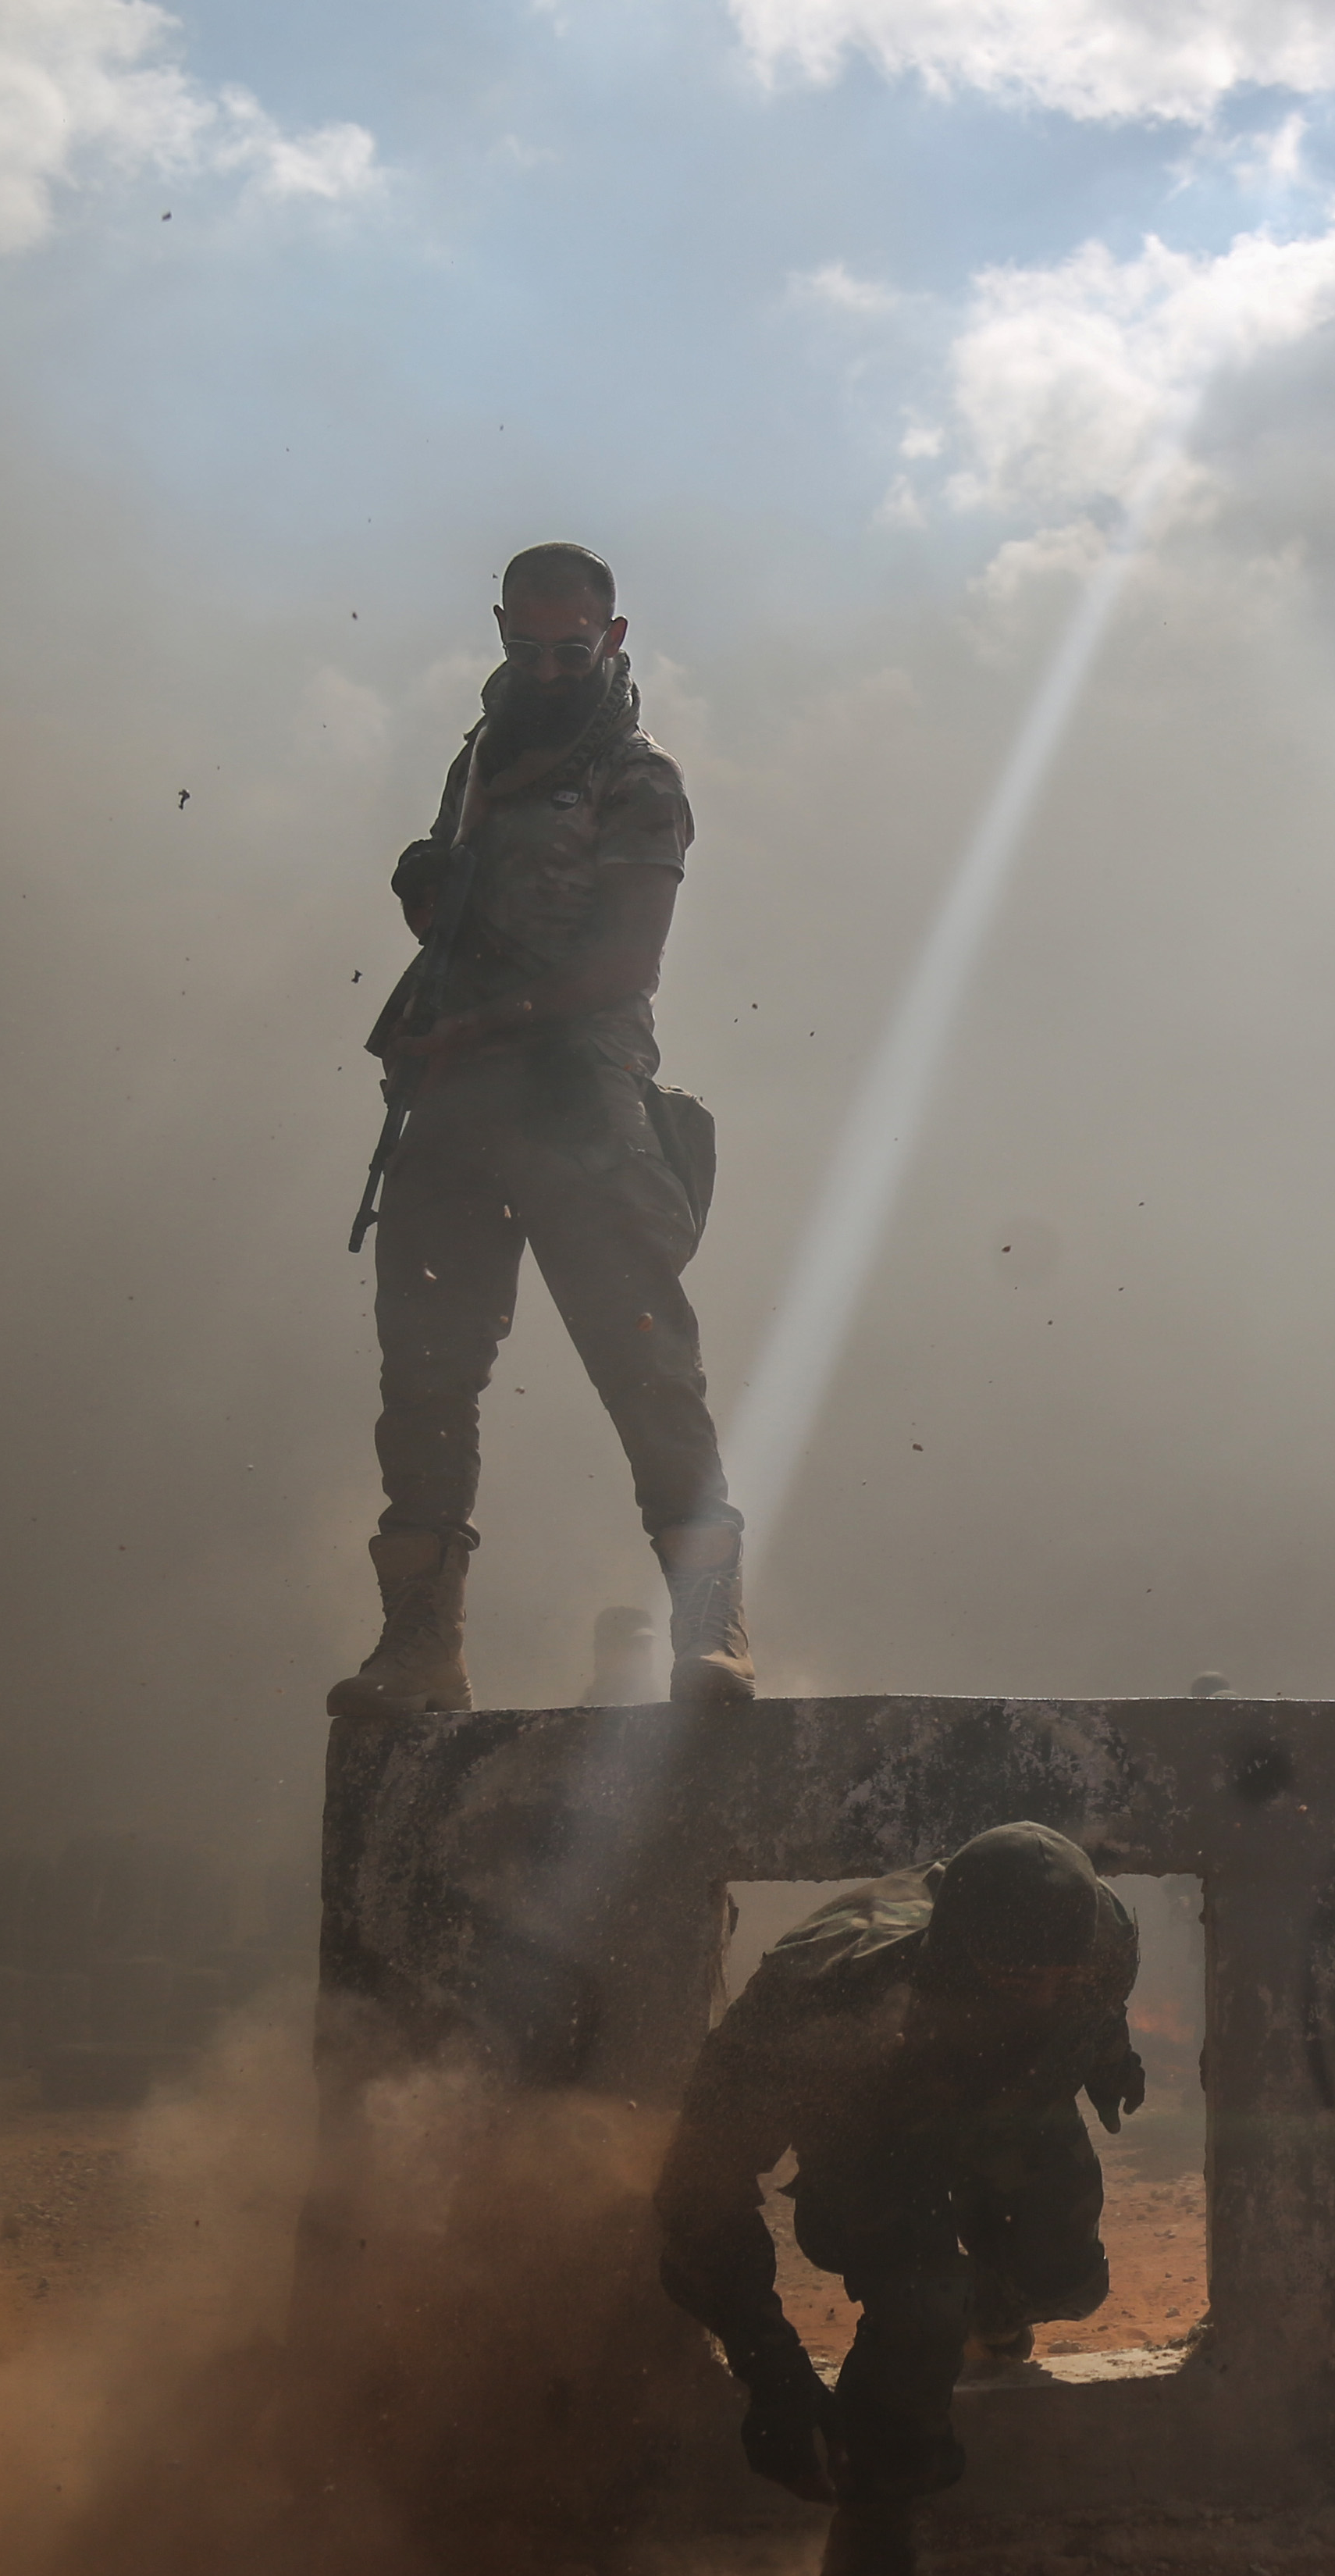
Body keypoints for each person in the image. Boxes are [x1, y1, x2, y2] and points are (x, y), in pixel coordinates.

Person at [331, 541, 756, 1719]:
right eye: (529, 647)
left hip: (576, 1091)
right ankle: (419, 1646)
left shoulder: (636, 775)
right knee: (425, 1376)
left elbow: (628, 958)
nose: (552, 667)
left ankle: (708, 1635)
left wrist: (496, 1021)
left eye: (574, 648)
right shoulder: (483, 757)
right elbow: (454, 908)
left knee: (647, 1367)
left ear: (611, 640)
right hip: (461, 1098)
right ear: (502, 631)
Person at [656, 1823, 1152, 2576]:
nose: (1043, 1995)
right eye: (1017, 1978)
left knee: (1067, 2281)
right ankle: (871, 2536)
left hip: (1013, 2106)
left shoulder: (1101, 1935)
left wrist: (1106, 2054)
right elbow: (697, 2192)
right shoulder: (823, 1998)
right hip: (874, 2134)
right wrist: (770, 2370)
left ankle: (989, 2314)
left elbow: (1093, 2003)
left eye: (1063, 1978)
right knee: (922, 2304)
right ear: (954, 1953)